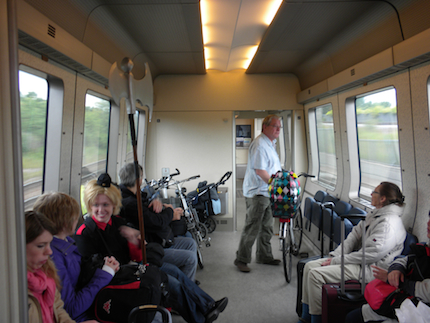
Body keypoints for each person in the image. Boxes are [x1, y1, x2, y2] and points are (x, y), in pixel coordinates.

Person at [75, 173, 228, 323]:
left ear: (113, 205)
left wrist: (136, 242)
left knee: (172, 275)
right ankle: (202, 314)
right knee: (170, 281)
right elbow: (89, 272)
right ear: (89, 205)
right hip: (110, 282)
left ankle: (205, 310)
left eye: (105, 205)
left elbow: (134, 256)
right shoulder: (85, 232)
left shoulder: (116, 224)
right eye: (96, 205)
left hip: (127, 270)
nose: (101, 210)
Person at [297, 182, 407, 323]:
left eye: (375, 192)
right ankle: (306, 317)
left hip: (369, 270)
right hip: (359, 263)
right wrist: (336, 255)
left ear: (383, 199)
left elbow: (369, 255)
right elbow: (354, 235)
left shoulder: (388, 224)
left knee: (315, 275)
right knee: (308, 267)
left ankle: (316, 320)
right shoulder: (375, 215)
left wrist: (337, 261)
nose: (371, 194)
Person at [32, 192, 119, 322]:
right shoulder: (54, 257)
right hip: (83, 317)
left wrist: (102, 267)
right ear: (66, 221)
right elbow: (71, 308)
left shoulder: (67, 243)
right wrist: (105, 274)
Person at [118, 162, 198, 281]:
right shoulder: (130, 203)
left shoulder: (135, 196)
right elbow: (156, 222)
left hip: (158, 237)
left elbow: (149, 211)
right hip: (153, 244)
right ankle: (186, 288)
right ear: (138, 180)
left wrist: (159, 203)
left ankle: (187, 282)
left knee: (190, 243)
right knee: (190, 258)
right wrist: (170, 212)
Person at [345, 216, 430, 323]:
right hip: (400, 299)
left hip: (419, 312)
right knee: (352, 317)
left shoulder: (389, 225)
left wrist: (395, 281)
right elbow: (405, 259)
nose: (428, 223)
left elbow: (427, 292)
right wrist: (396, 269)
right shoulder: (425, 248)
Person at [25, 210, 96, 323]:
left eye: (49, 244)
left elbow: (59, 311)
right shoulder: (14, 291)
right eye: (40, 246)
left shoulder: (47, 276)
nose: (49, 251)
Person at [234, 114, 282, 272]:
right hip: (258, 193)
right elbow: (261, 171)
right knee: (252, 227)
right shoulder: (260, 144)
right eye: (275, 126)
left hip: (267, 192)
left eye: (279, 127)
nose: (278, 129)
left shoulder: (270, 143)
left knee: (267, 226)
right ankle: (241, 259)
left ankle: (264, 255)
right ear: (265, 127)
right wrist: (276, 185)